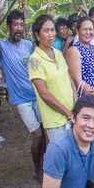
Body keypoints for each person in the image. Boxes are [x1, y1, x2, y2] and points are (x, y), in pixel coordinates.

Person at [0, 9, 45, 180]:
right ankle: (37, 170)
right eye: (15, 25)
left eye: (21, 25)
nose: (19, 28)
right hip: (22, 100)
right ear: (9, 26)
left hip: (37, 96)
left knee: (45, 132)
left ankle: (46, 166)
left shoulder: (29, 45)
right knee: (37, 135)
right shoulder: (2, 47)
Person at [29, 14, 75, 142]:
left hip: (71, 114)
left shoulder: (58, 53)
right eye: (46, 31)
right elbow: (44, 93)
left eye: (52, 30)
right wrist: (66, 112)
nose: (51, 34)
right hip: (55, 120)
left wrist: (75, 105)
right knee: (60, 156)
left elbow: (69, 80)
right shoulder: (35, 60)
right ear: (37, 35)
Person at [66, 17, 94, 99]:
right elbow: (77, 81)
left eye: (91, 29)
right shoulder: (74, 50)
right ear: (78, 31)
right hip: (83, 99)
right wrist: (93, 94)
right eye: (85, 29)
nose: (88, 32)